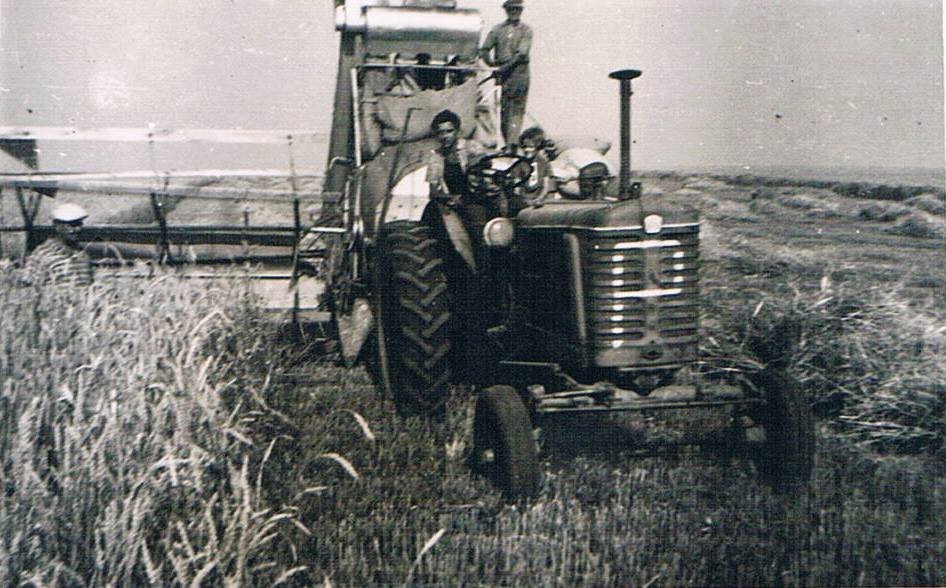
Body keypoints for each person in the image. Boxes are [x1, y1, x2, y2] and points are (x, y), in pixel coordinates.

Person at [479, 0, 532, 145]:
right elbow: (483, 50)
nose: (514, 12)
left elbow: (521, 55)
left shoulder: (526, 30)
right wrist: (492, 65)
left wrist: (503, 68)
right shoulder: (497, 29)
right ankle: (507, 143)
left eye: (517, 9)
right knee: (504, 109)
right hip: (503, 75)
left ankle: (512, 144)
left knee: (516, 109)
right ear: (506, 10)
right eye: (511, 9)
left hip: (519, 73)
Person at [27, 203, 93, 286]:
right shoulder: (42, 254)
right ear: (57, 226)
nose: (78, 229)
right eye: (72, 225)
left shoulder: (82, 254)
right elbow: (32, 289)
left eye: (80, 224)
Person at [512, 126, 553, 210]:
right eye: (524, 147)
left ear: (537, 147)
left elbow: (546, 186)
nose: (527, 150)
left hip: (540, 200)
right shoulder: (518, 164)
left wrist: (539, 199)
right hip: (524, 201)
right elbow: (516, 188)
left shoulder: (544, 162)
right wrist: (525, 201)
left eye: (530, 147)